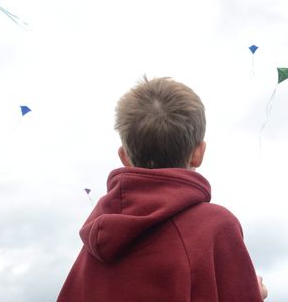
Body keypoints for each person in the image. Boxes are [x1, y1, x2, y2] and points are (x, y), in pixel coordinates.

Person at [57, 77, 268, 301]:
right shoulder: (214, 225)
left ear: (124, 157)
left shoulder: (91, 250)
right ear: (199, 153)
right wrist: (252, 292)